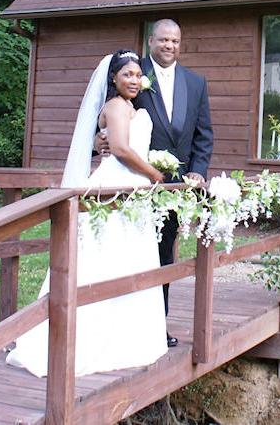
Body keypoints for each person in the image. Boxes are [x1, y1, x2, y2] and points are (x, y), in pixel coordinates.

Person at [5, 50, 169, 377]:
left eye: (138, 75)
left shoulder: (131, 108)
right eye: (127, 75)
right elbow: (121, 150)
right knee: (105, 258)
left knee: (128, 258)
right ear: (113, 78)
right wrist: (154, 173)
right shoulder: (116, 106)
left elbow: (115, 143)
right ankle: (89, 335)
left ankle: (127, 335)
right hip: (117, 187)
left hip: (131, 190)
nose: (134, 80)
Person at [99, 19, 214, 344]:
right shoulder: (133, 73)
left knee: (163, 255)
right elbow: (106, 116)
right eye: (164, 40)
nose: (169, 46)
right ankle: (115, 321)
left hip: (172, 189)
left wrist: (197, 171)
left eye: (175, 41)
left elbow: (204, 135)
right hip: (132, 184)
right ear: (151, 41)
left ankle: (155, 327)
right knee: (125, 252)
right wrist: (99, 140)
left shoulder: (196, 82)